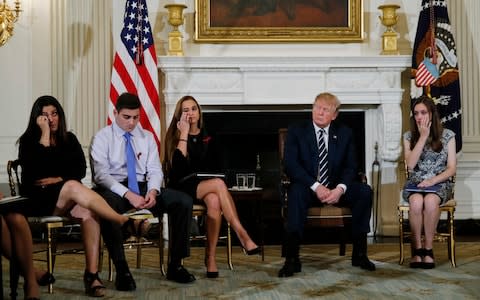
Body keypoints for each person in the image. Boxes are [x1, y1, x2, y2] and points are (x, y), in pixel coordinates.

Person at [16, 95, 137, 297]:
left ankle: (92, 276)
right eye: (45, 116)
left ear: (60, 116)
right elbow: (35, 174)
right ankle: (121, 220)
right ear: (37, 118)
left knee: (88, 212)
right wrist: (44, 136)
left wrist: (58, 178)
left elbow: (80, 169)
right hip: (39, 201)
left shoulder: (69, 139)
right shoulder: (28, 142)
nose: (51, 119)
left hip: (67, 198)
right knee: (72, 185)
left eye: (54, 114)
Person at [90, 92, 195, 287]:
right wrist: (128, 194)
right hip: (115, 188)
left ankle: (176, 265)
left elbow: (154, 169)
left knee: (182, 201)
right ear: (115, 113)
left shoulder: (146, 137)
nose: (132, 123)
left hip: (143, 187)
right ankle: (122, 269)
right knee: (106, 206)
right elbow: (101, 175)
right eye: (126, 117)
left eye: (136, 117)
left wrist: (153, 191)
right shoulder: (102, 137)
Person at [278, 92, 375, 277]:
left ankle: (360, 254)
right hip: (308, 187)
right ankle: (292, 259)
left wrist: (340, 189)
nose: (319, 112)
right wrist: (316, 186)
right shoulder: (297, 130)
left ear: (334, 114)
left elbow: (351, 166)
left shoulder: (345, 133)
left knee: (364, 191)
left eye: (325, 109)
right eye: (317, 107)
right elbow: (290, 164)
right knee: (296, 192)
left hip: (335, 188)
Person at [163, 95, 260, 279]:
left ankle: (211, 257)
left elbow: (217, 167)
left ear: (199, 112)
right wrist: (183, 133)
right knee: (218, 184)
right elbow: (178, 171)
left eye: (193, 109)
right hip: (181, 188)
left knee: (215, 201)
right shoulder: (174, 137)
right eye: (185, 110)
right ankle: (242, 233)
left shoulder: (209, 136)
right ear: (179, 116)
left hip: (205, 186)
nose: (190, 113)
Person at [402, 95, 456, 269]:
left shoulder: (448, 136)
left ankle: (428, 249)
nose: (419, 117)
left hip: (439, 183)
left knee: (431, 202)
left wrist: (432, 180)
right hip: (415, 183)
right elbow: (410, 165)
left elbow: (451, 168)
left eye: (423, 112)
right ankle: (417, 250)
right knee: (416, 202)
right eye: (416, 113)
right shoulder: (409, 136)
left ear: (432, 114)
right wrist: (423, 137)